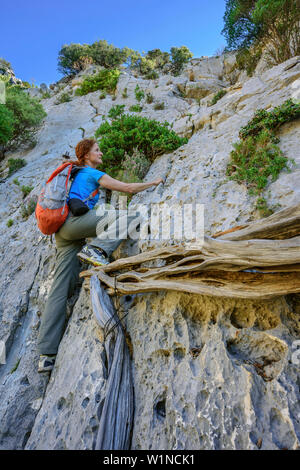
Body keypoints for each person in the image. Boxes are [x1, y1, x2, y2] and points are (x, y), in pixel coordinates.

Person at [37, 138, 163, 372]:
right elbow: (128, 189)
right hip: (75, 224)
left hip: (63, 233)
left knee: (60, 288)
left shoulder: (74, 175)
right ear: (86, 155)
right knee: (131, 216)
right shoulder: (92, 173)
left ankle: (46, 354)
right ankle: (98, 249)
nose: (101, 152)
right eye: (97, 150)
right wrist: (154, 182)